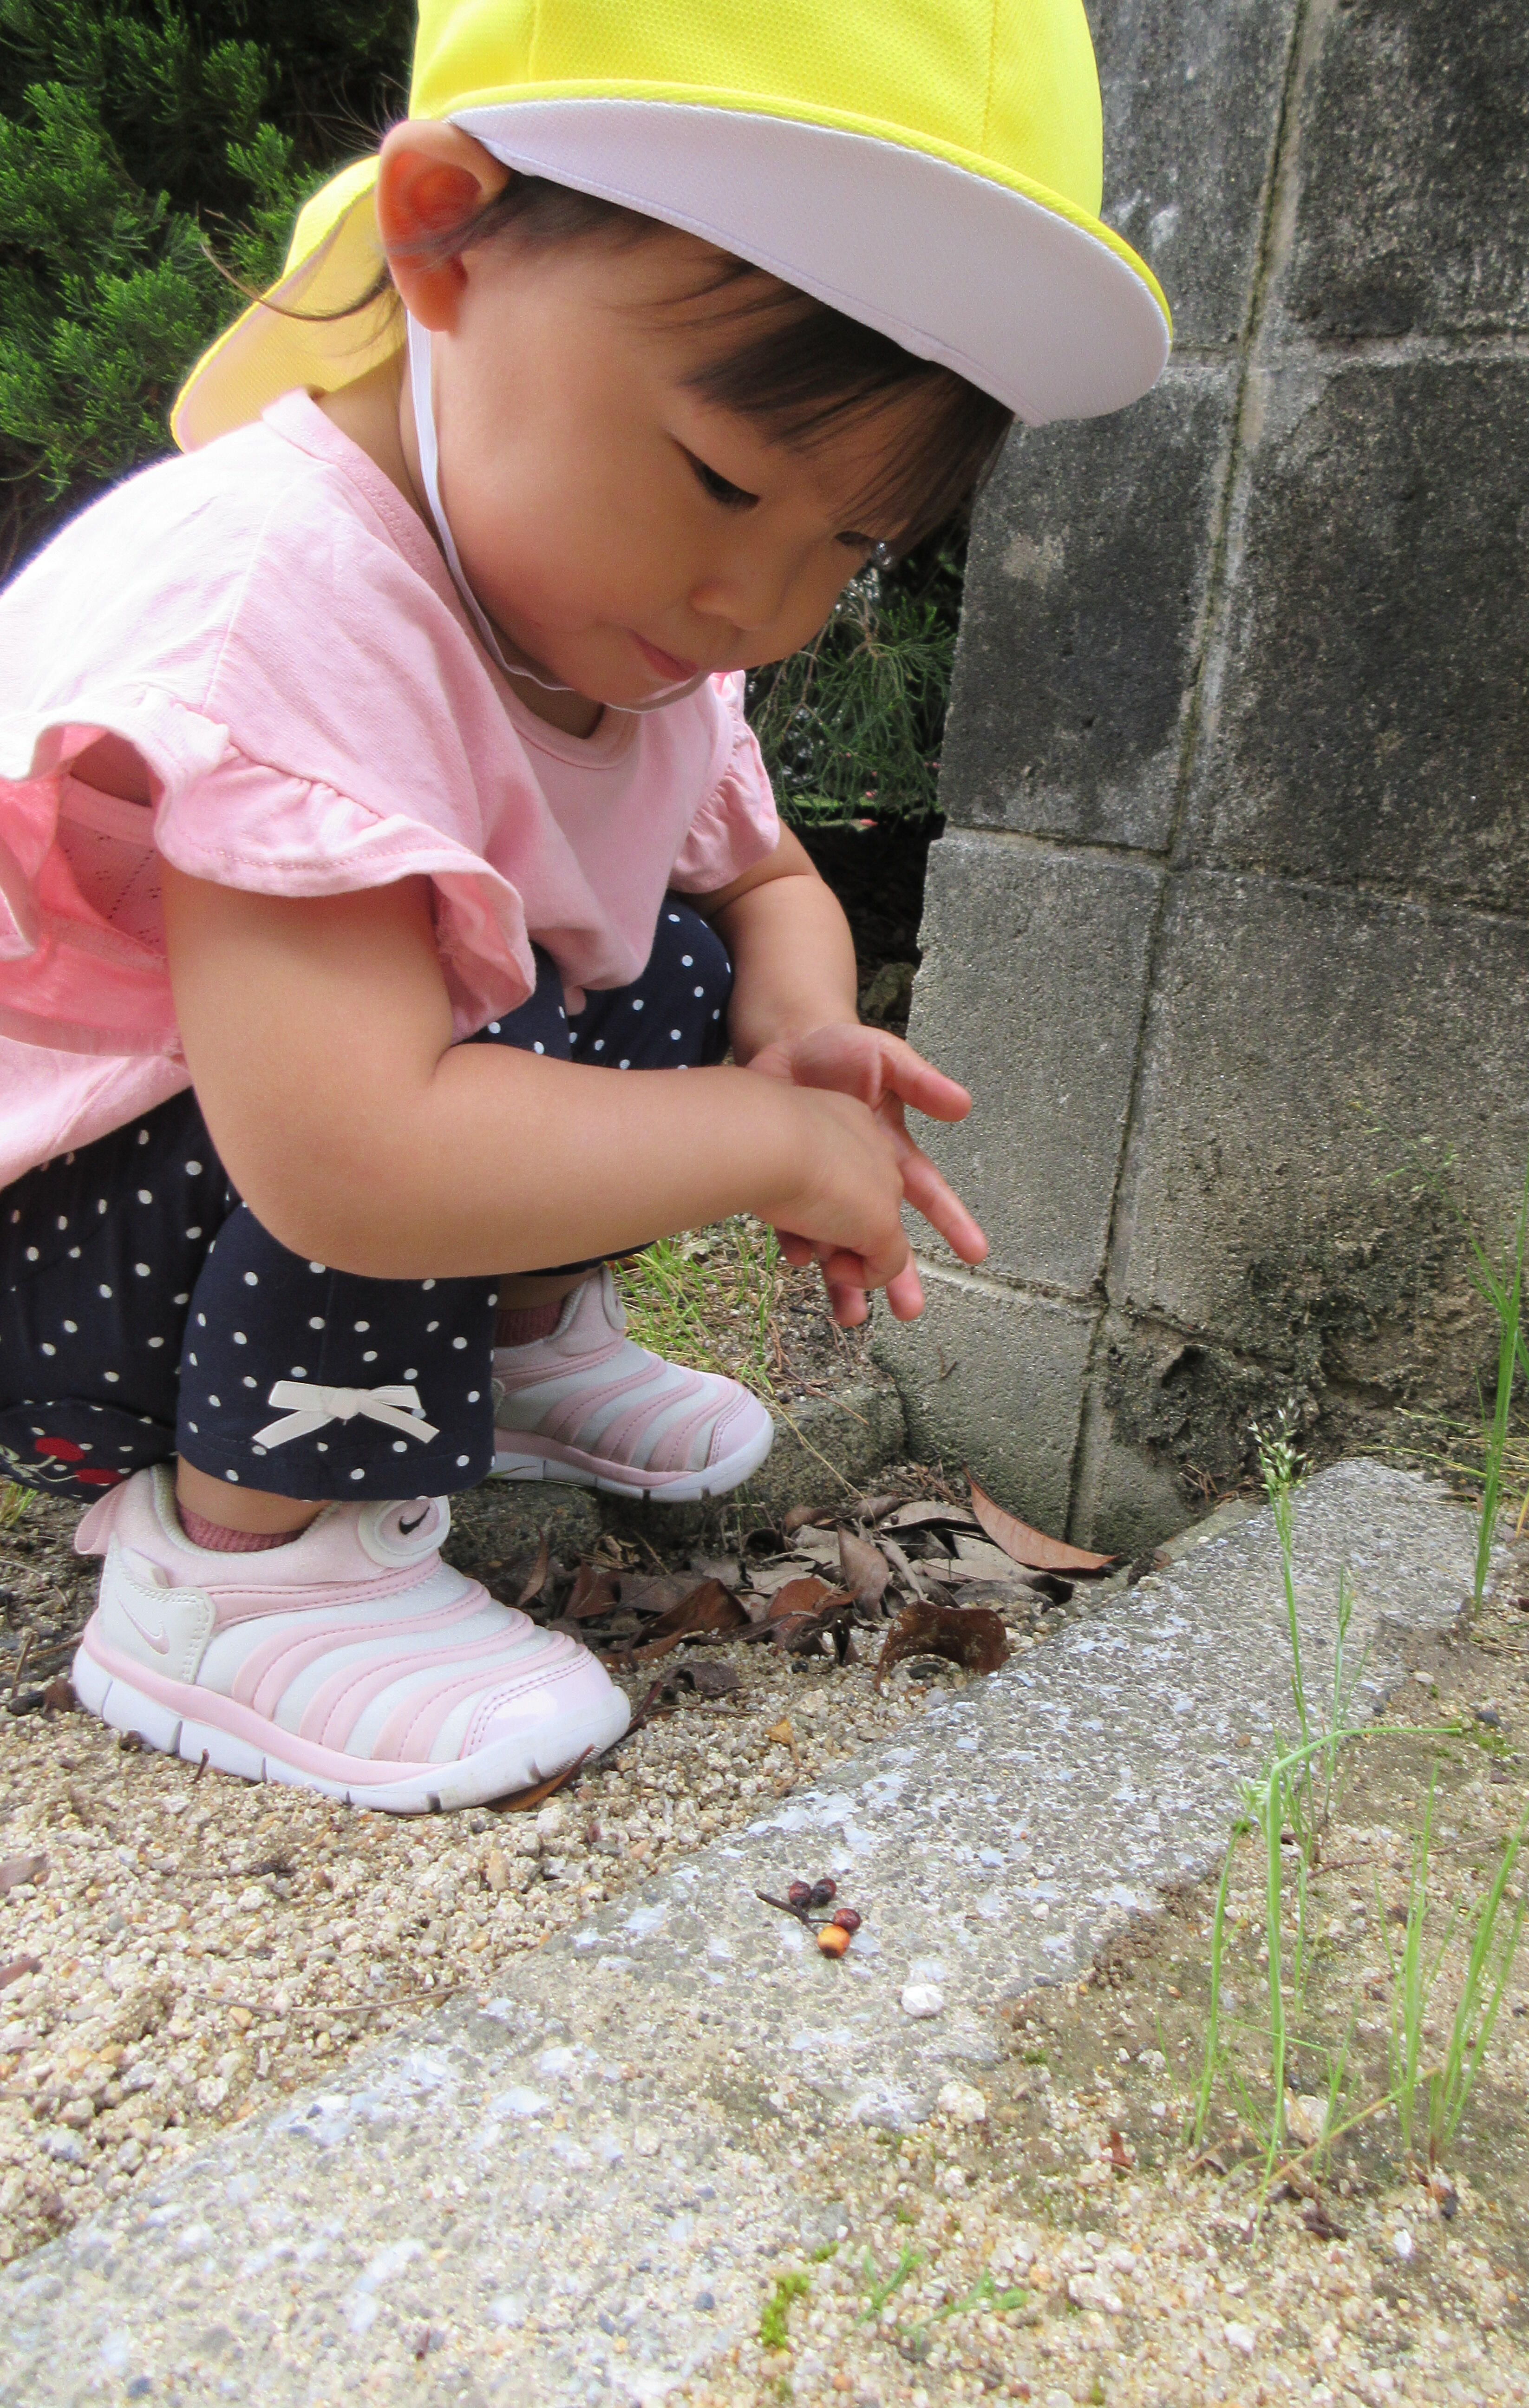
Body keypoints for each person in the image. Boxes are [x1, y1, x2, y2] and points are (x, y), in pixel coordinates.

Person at [0, 0, 1170, 1809]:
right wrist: (761, 1150)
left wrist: (797, 1037)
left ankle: (512, 1344)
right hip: (70, 1268)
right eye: (722, 478)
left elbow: (762, 877)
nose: (755, 607)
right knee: (469, 1000)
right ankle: (241, 1572)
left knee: (667, 959)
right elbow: (348, 1153)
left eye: (850, 553)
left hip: (254, 1195)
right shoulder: (284, 596)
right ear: (446, 232)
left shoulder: (612, 638)